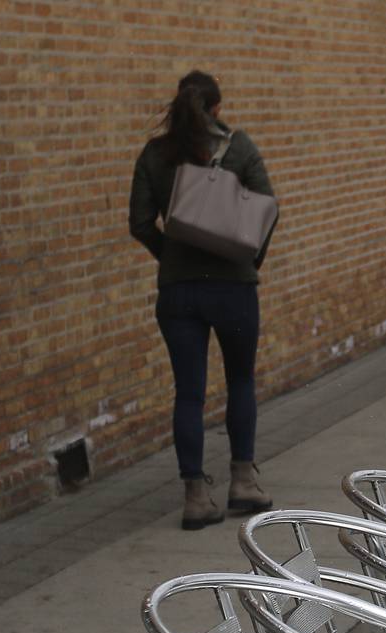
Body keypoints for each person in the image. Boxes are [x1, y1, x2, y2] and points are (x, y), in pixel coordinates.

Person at [129, 71, 277, 529]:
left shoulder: (155, 154)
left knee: (189, 393)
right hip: (233, 289)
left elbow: (139, 222)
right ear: (215, 108)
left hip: (179, 294)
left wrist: (170, 256)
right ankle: (242, 483)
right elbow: (267, 211)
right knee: (240, 381)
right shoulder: (239, 147)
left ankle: (195, 496)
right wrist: (247, 261)